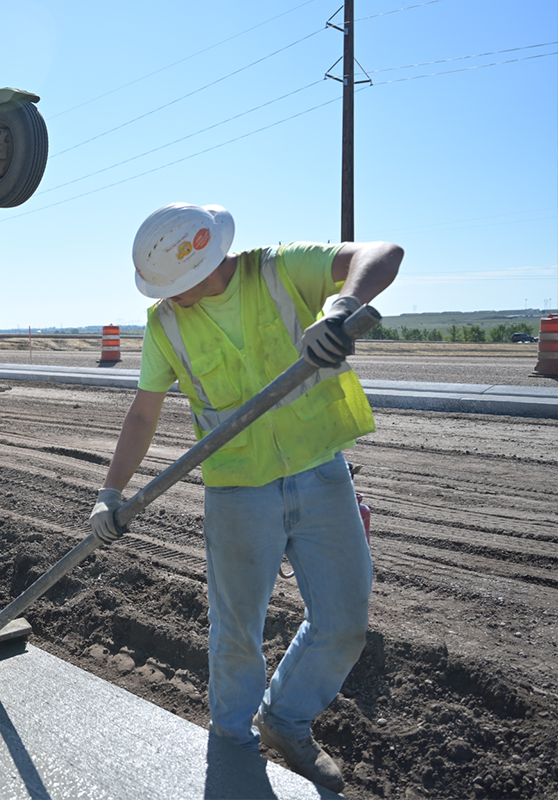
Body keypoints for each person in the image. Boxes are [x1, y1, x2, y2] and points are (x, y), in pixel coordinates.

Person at [90, 203, 402, 793]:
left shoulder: (280, 271)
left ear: (204, 262)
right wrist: (111, 492)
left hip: (320, 472)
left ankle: (285, 719)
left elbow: (382, 253)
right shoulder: (166, 324)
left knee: (344, 621)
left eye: (174, 286)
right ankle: (233, 743)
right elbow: (143, 413)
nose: (168, 298)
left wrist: (341, 305)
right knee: (236, 631)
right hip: (237, 489)